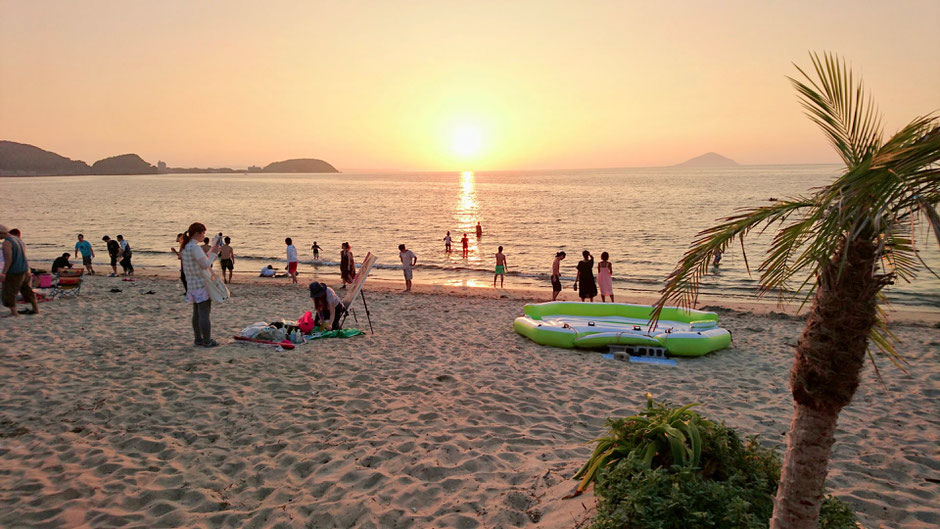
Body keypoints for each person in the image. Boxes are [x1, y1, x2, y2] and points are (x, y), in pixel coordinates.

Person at [180, 222, 220, 347]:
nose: (204, 235)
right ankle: (207, 340)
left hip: (191, 284)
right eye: (203, 233)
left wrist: (211, 252)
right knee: (204, 313)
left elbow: (200, 261)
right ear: (197, 233)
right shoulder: (195, 248)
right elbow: (205, 265)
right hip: (201, 284)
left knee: (196, 313)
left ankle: (198, 339)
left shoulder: (185, 247)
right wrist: (214, 254)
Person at [1, 225, 39, 317]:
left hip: (15, 271)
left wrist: (4, 273)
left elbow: (8, 259)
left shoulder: (7, 243)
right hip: (25, 269)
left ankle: (14, 313)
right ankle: (35, 309)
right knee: (27, 290)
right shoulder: (17, 239)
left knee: (9, 291)